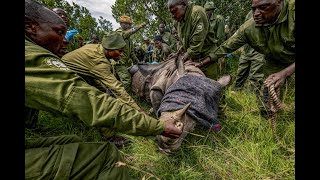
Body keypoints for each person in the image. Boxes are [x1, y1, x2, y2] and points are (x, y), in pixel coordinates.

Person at [25, 0, 182, 179]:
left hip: (79, 78)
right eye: (60, 32)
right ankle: (109, 136)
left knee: (74, 140)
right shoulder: (98, 62)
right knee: (106, 152)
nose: (65, 41)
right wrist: (151, 122)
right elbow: (98, 98)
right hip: (71, 80)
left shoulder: (98, 51)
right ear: (30, 27)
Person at [203, 0, 295, 117]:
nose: (256, 13)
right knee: (266, 93)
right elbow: (226, 47)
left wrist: (284, 73)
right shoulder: (249, 27)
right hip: (275, 61)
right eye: (253, 9)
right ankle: (268, 117)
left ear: (279, 2)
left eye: (263, 7)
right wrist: (203, 61)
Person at [167, 0, 220, 80]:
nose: (173, 16)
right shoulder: (179, 22)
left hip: (206, 59)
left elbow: (195, 46)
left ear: (184, 5)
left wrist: (178, 63)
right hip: (193, 60)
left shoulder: (197, 13)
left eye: (174, 11)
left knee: (210, 88)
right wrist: (178, 53)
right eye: (171, 13)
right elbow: (184, 42)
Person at [232, 11, 266, 92]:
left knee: (255, 75)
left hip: (260, 50)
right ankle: (236, 90)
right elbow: (243, 29)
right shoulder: (250, 13)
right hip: (247, 49)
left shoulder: (268, 11)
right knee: (241, 71)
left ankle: (252, 94)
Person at [115, 15, 146, 91]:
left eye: (129, 24)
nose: (129, 25)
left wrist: (138, 63)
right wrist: (140, 26)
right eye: (127, 24)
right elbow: (127, 33)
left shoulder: (129, 40)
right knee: (126, 80)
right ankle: (123, 97)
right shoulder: (118, 33)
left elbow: (132, 53)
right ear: (121, 24)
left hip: (124, 64)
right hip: (118, 63)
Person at [204, 1, 227, 75]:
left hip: (217, 46)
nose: (208, 12)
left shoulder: (219, 19)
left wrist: (218, 50)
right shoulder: (205, 20)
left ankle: (221, 78)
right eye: (206, 10)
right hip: (208, 47)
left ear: (212, 10)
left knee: (220, 64)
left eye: (209, 10)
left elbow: (220, 36)